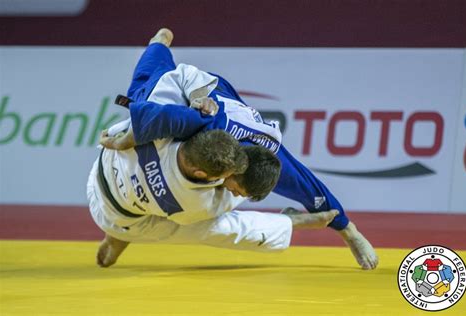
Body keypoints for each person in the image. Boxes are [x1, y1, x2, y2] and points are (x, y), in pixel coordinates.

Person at [101, 28, 378, 270]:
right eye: (235, 189)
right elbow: (161, 116)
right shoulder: (203, 124)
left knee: (195, 202)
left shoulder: (273, 157)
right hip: (184, 90)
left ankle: (123, 228)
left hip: (235, 119)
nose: (232, 191)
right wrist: (127, 139)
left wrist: (349, 231)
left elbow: (314, 190)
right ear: (235, 169)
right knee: (145, 84)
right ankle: (160, 43)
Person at [89, 121, 339, 267]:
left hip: (103, 164)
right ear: (199, 173)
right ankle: (288, 222)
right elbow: (236, 192)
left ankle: (117, 233)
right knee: (217, 227)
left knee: (151, 207)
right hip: (121, 218)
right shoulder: (191, 203)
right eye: (226, 177)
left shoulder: (164, 125)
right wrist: (257, 179)